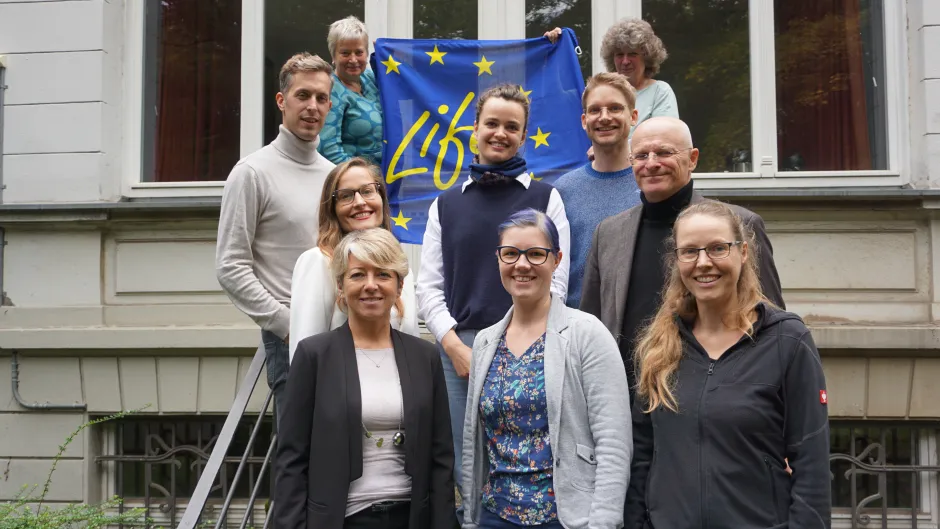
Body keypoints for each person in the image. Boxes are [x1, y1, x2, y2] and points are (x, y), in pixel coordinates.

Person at [416, 83, 571, 523]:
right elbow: (429, 287)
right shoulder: (445, 205)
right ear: (475, 129)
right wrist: (453, 346)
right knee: (468, 462)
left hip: (533, 342)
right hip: (460, 350)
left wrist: (523, 340)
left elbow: (556, 278)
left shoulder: (546, 198)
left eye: (511, 126)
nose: (500, 133)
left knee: (528, 451)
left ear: (523, 135)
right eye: (492, 124)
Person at [624, 201, 830, 528]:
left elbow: (812, 466)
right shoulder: (658, 347)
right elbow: (641, 459)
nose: (703, 263)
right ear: (677, 261)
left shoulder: (786, 340)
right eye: (689, 251)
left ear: (743, 252)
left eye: (718, 248)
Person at [580, 116, 784, 397]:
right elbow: (591, 324)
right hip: (625, 404)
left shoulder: (740, 225)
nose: (651, 163)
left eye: (664, 152)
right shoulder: (609, 233)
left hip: (715, 400)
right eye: (641, 155)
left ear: (693, 158)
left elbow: (769, 320)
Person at [461, 209, 631, 529]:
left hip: (565, 518)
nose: (522, 264)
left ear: (556, 260)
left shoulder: (586, 334)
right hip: (495, 516)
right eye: (510, 254)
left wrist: (604, 522)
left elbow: (613, 443)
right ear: (498, 259)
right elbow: (475, 445)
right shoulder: (485, 344)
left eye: (536, 254)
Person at [276, 228, 455, 529]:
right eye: (358, 275)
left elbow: (441, 457)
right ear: (340, 287)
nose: (370, 285)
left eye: (383, 275)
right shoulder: (314, 356)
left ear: (399, 286)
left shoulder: (425, 357)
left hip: (411, 516)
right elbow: (291, 459)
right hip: (342, 518)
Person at [216, 52, 335, 428]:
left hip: (343, 332)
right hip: (289, 339)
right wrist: (286, 325)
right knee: (297, 456)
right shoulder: (251, 173)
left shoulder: (334, 176)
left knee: (342, 452)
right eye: (303, 96)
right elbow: (231, 267)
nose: (312, 107)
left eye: (321, 98)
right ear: (282, 101)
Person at [289, 157, 419, 360]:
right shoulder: (318, 262)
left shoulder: (400, 266)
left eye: (367, 191)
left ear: (381, 197)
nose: (360, 203)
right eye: (346, 196)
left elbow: (411, 344)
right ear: (333, 208)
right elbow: (304, 354)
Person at [554, 73, 641, 308]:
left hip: (641, 325)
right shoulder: (563, 190)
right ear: (584, 120)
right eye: (595, 110)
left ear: (633, 116)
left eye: (614, 108)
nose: (604, 118)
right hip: (576, 327)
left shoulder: (650, 184)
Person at [545, 18, 677, 134]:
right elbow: (557, 100)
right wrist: (554, 50)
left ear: (647, 57)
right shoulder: (596, 92)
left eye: (632, 54)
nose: (625, 61)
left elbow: (664, 137)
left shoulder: (660, 92)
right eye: (619, 55)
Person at [318, 16, 384, 165]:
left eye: (359, 52)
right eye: (345, 53)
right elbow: (328, 149)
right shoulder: (330, 90)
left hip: (387, 178)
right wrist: (361, 178)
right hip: (357, 183)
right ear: (333, 56)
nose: (353, 60)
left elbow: (402, 88)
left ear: (367, 54)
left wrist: (389, 54)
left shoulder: (371, 78)